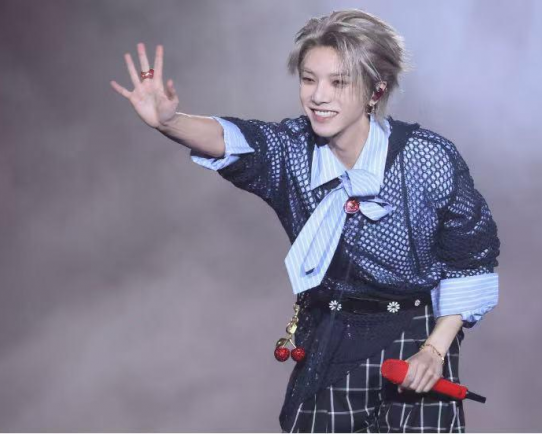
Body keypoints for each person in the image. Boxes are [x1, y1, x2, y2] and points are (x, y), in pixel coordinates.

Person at [111, 8, 500, 433]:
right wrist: (170, 122)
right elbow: (235, 140)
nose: (318, 95)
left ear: (375, 90)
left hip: (417, 337)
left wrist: (434, 351)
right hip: (332, 336)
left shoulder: (426, 158)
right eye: (309, 79)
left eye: (338, 82)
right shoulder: (293, 150)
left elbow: (470, 260)